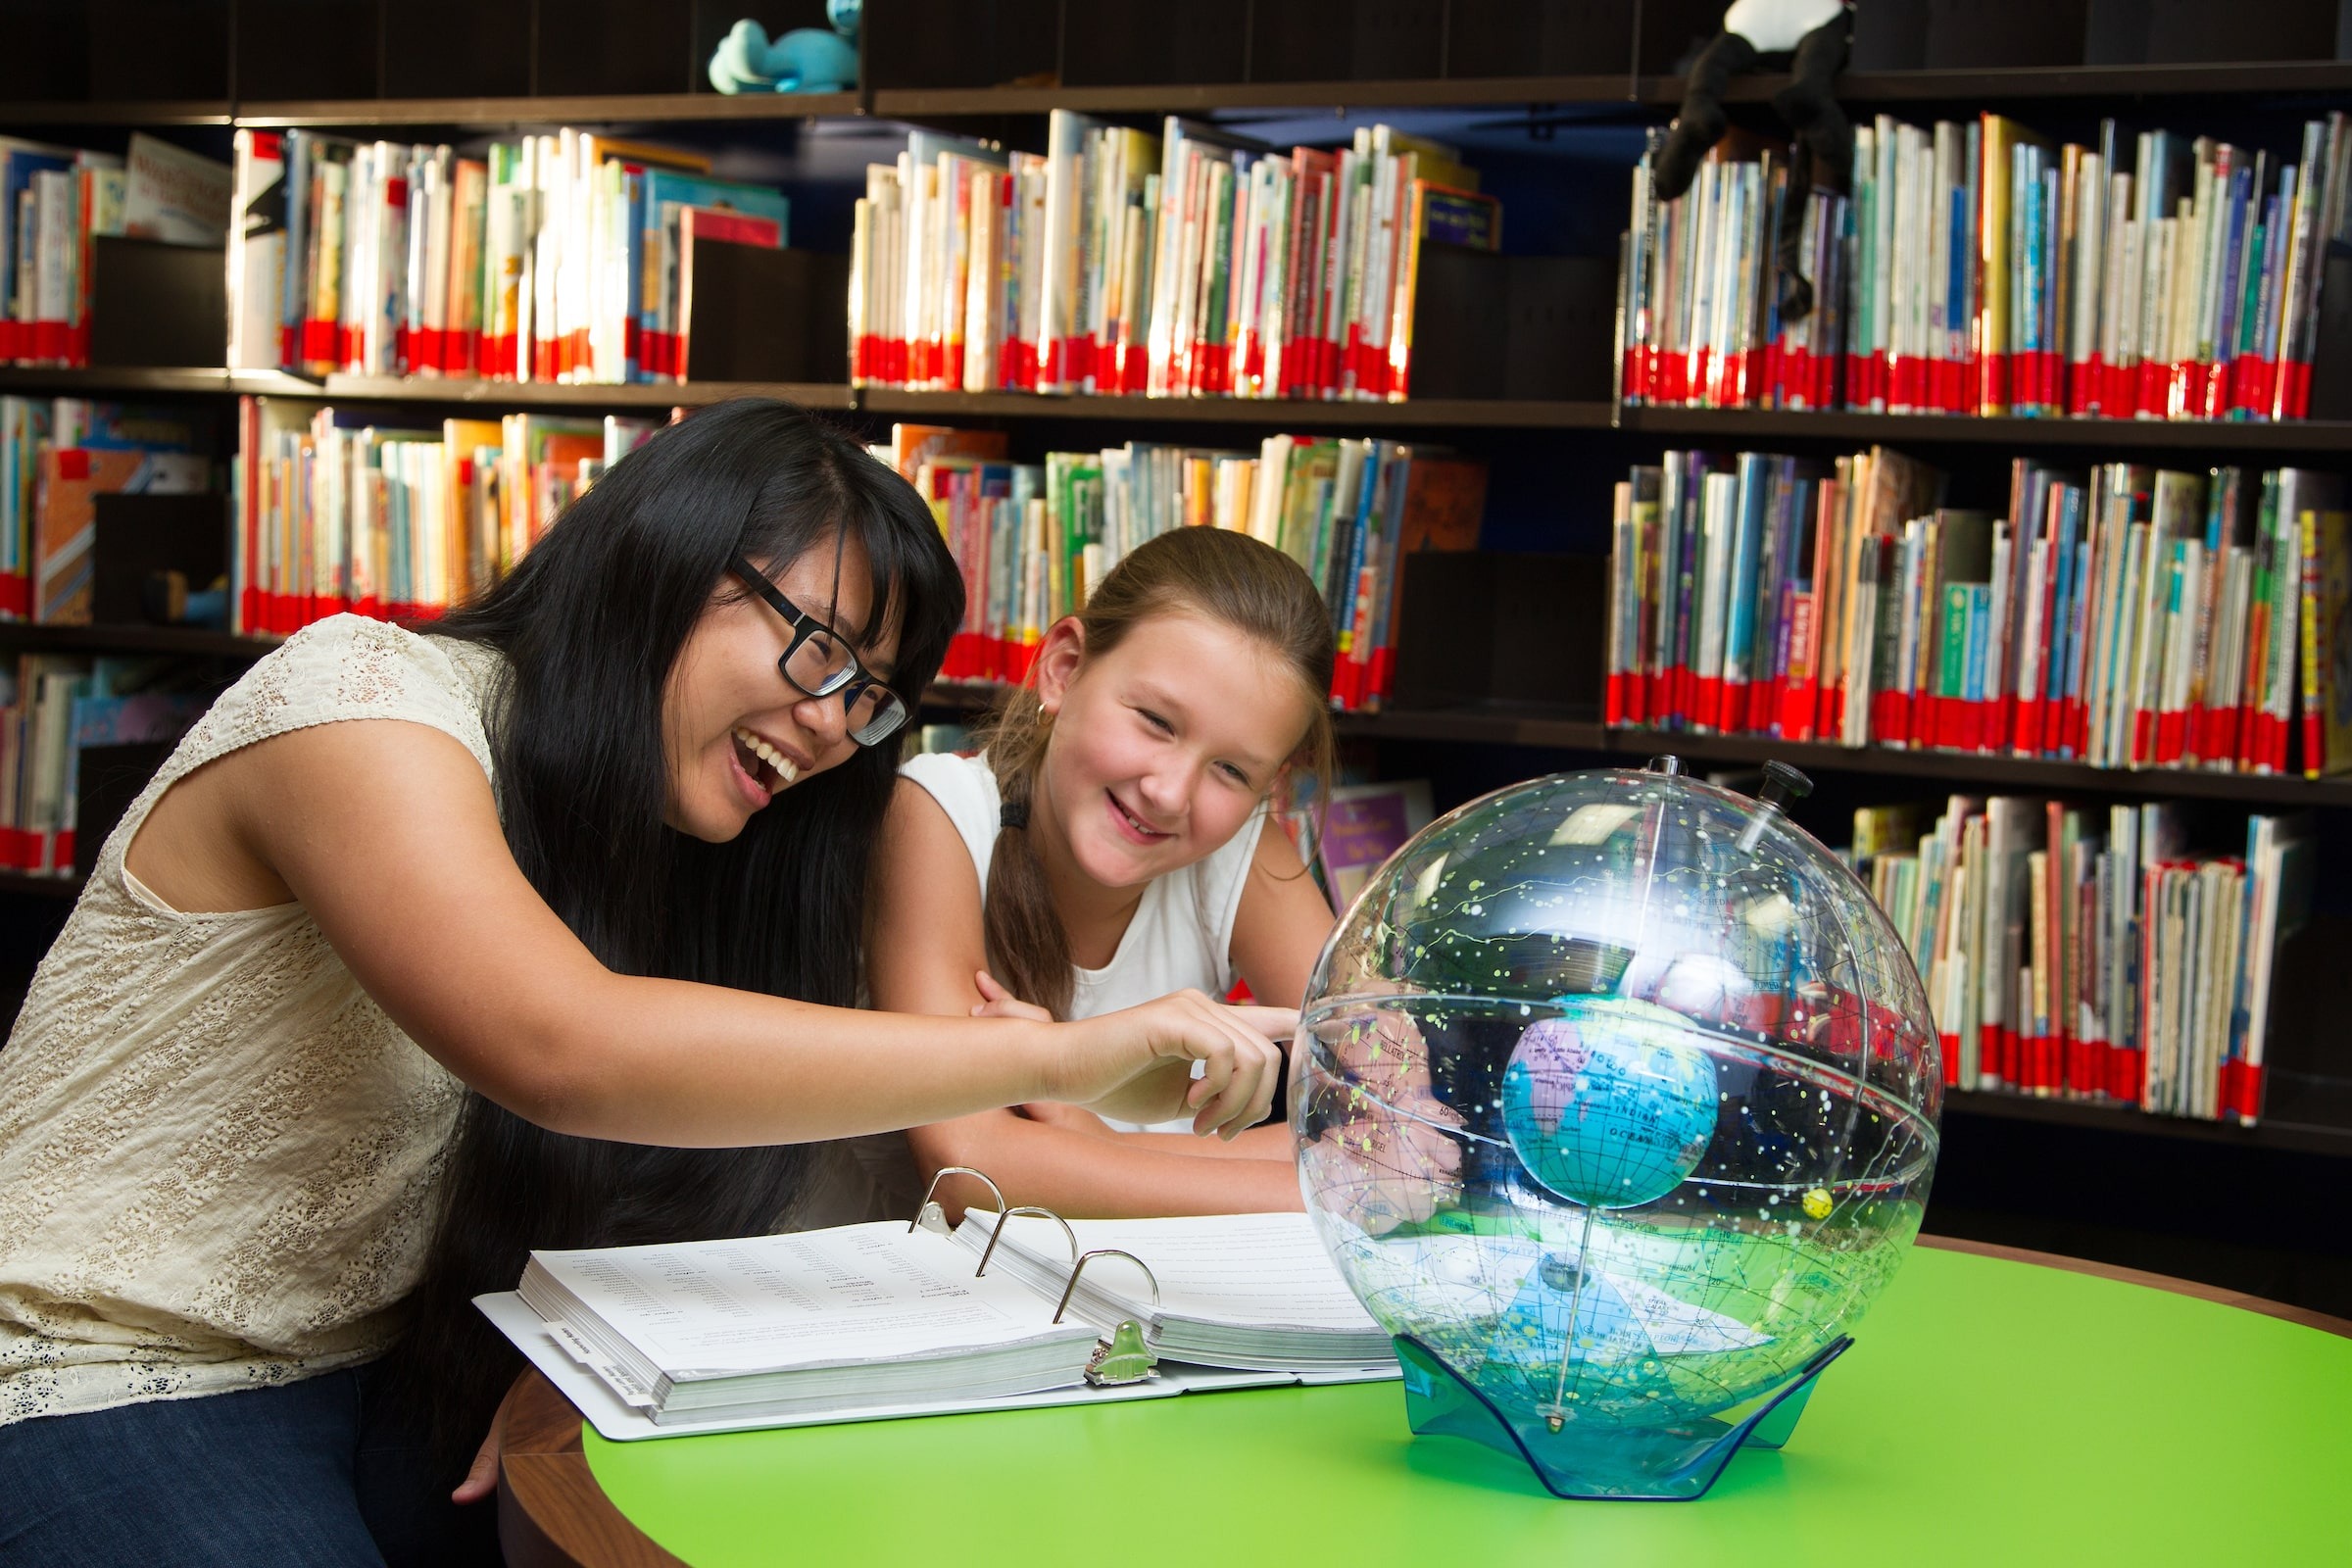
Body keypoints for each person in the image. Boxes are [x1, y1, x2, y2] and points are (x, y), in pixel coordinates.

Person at [0, 401, 1286, 1568]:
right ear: (664, 558)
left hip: (383, 1373)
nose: (834, 725)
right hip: (92, 1367)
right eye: (821, 651)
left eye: (871, 697)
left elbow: (683, 1160)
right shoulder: (363, 702)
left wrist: (586, 1354)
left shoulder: (648, 835)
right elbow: (562, 1047)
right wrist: (1062, 1054)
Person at [868, 526, 1345, 1220]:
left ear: (1271, 785)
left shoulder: (1243, 849)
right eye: (1155, 721)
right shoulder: (935, 813)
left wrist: (1105, 1144)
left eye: (1231, 770)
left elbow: (1403, 1123)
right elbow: (969, 1167)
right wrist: (1325, 1194)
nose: (1171, 793)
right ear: (1064, 669)